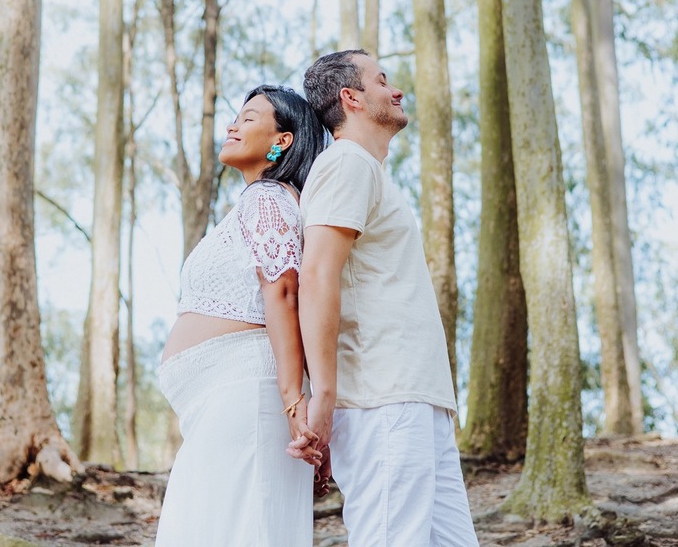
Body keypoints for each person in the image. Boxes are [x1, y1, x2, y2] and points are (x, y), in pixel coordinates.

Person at [296, 49, 479, 546]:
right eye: (382, 80)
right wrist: (325, 398)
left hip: (417, 399)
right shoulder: (347, 164)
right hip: (383, 397)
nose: (396, 89)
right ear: (350, 97)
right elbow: (315, 276)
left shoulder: (368, 172)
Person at [155, 84, 327, 547]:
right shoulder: (255, 202)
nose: (233, 125)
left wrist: (295, 405)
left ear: (282, 140)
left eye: (249, 118)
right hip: (224, 403)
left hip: (251, 397)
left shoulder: (268, 197)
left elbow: (285, 292)